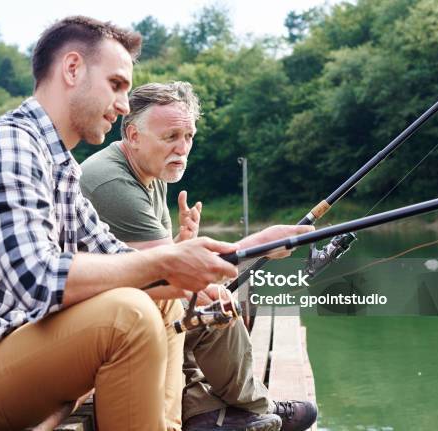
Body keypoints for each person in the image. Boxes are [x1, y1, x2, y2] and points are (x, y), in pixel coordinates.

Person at [0, 17, 243, 431]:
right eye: (116, 85)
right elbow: (39, 279)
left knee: (159, 300)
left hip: (2, 363)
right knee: (127, 313)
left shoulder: (60, 167)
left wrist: (237, 256)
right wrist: (167, 263)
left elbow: (119, 258)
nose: (126, 105)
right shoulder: (9, 145)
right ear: (72, 69)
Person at [80, 81, 318, 431]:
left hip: (126, 307)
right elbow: (172, 274)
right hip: (96, 328)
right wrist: (258, 244)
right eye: (171, 136)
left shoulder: (151, 171)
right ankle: (257, 408)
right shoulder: (111, 181)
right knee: (213, 309)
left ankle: (211, 412)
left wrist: (180, 242)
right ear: (132, 135)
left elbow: (150, 263)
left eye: (188, 136)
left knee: (203, 302)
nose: (182, 148)